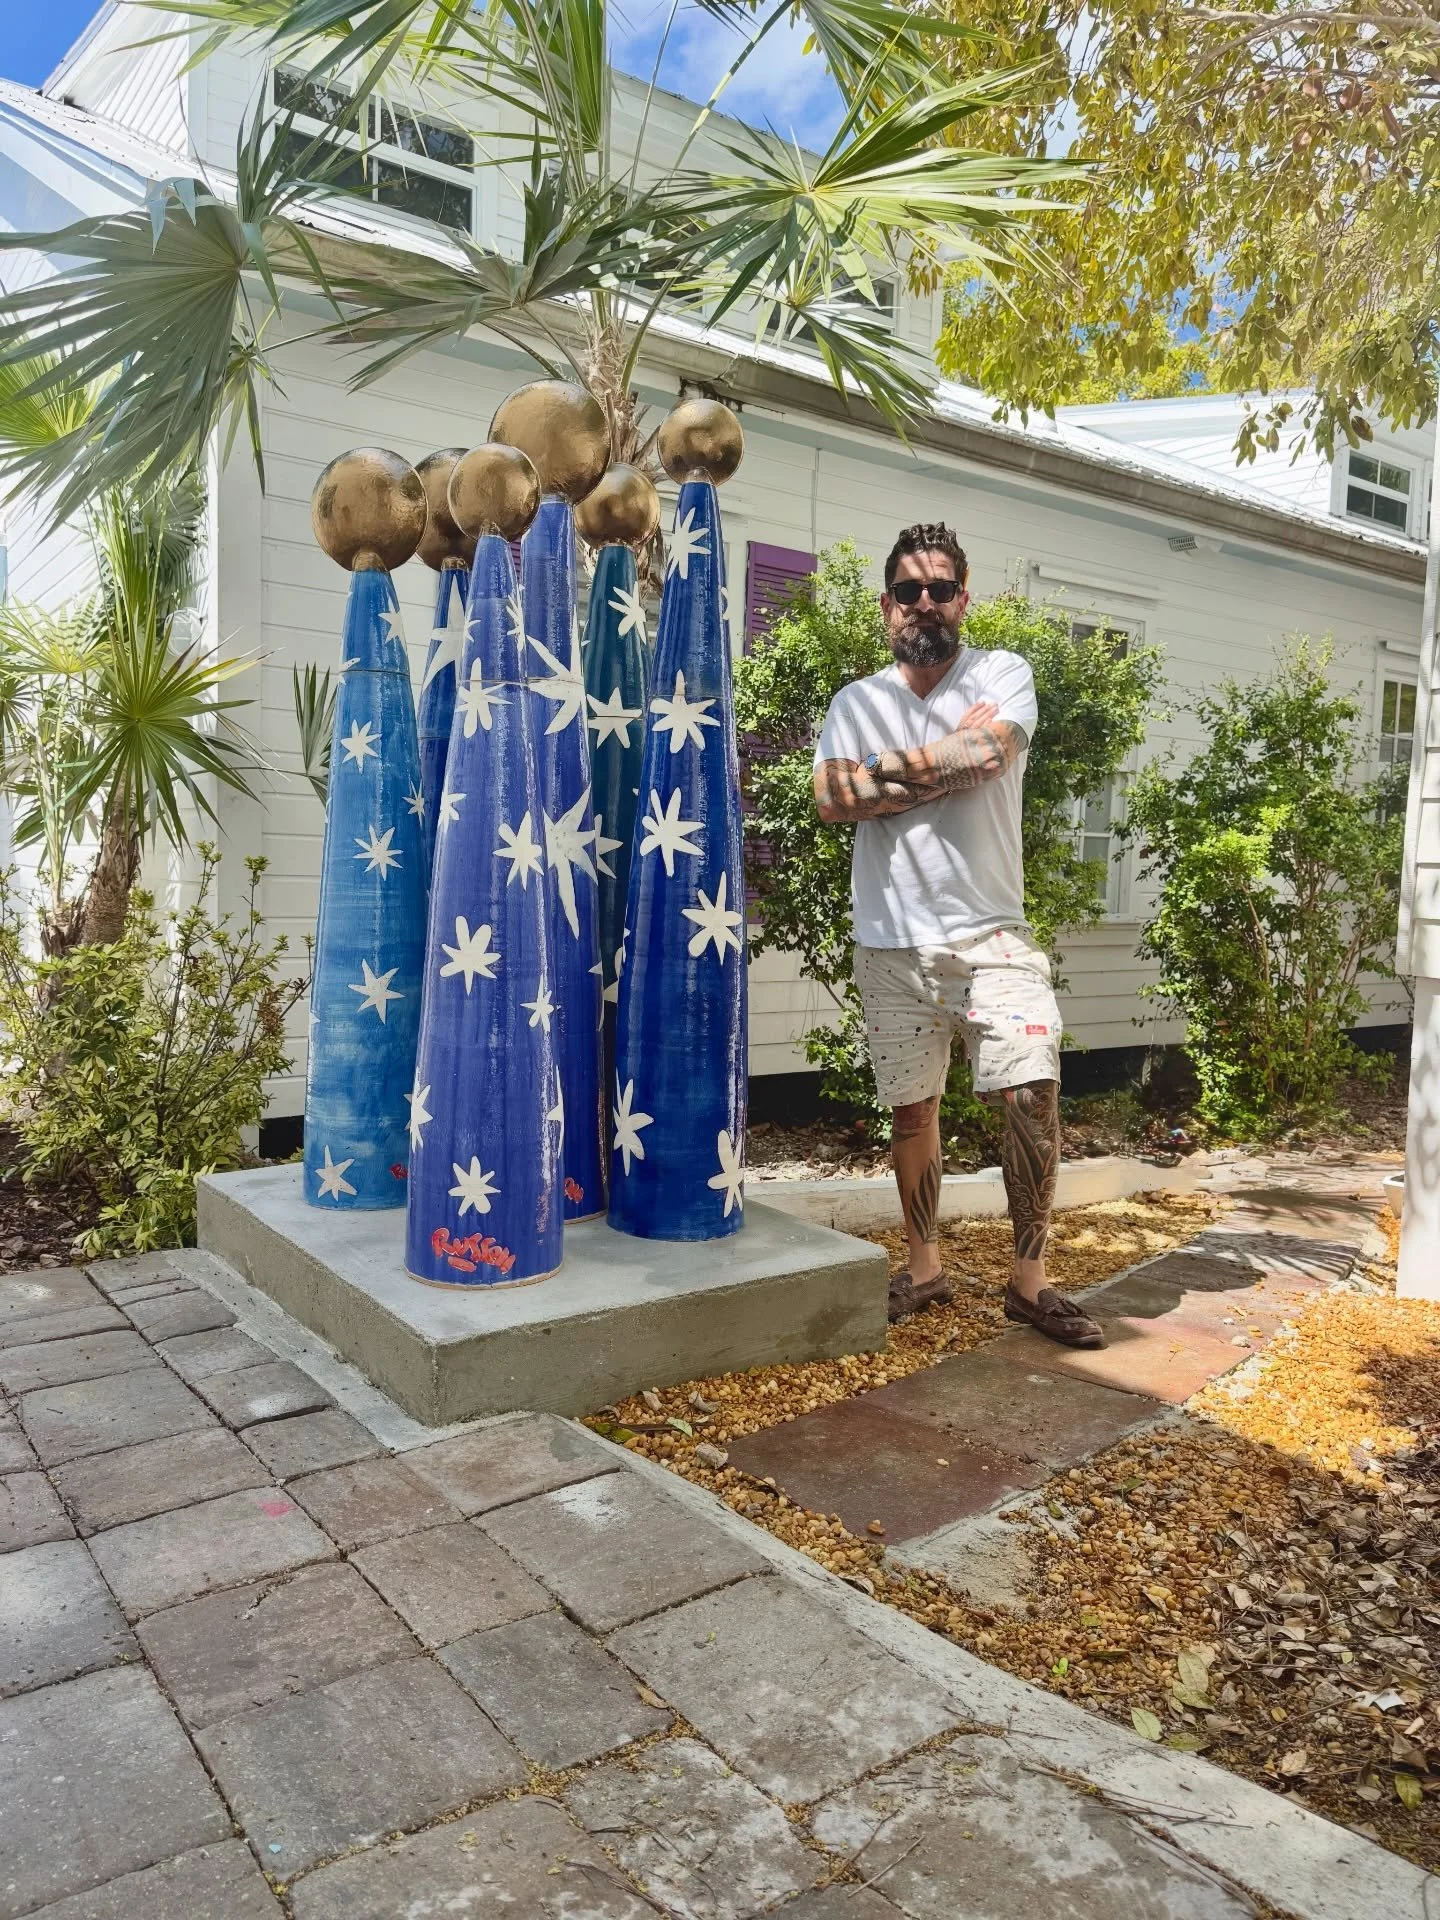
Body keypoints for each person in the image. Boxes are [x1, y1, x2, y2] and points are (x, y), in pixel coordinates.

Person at [812, 522, 1104, 1348]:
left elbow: (986, 755)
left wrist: (885, 776)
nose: (925, 602)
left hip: (992, 936)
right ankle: (925, 1267)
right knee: (913, 1115)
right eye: (909, 590)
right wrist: (942, 757)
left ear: (963, 599)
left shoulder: (1003, 673)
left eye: (941, 588)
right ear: (886, 607)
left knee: (1031, 1092)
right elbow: (833, 800)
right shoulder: (854, 701)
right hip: (890, 938)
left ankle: (1029, 1284)